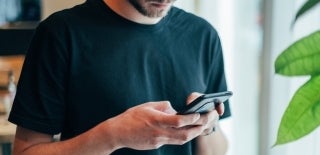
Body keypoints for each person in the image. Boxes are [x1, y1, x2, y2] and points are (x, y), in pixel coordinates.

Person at [8, 0, 231, 154]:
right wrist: (113, 136)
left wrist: (206, 127)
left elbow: (217, 150)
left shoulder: (203, 35)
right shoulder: (60, 34)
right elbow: (26, 151)